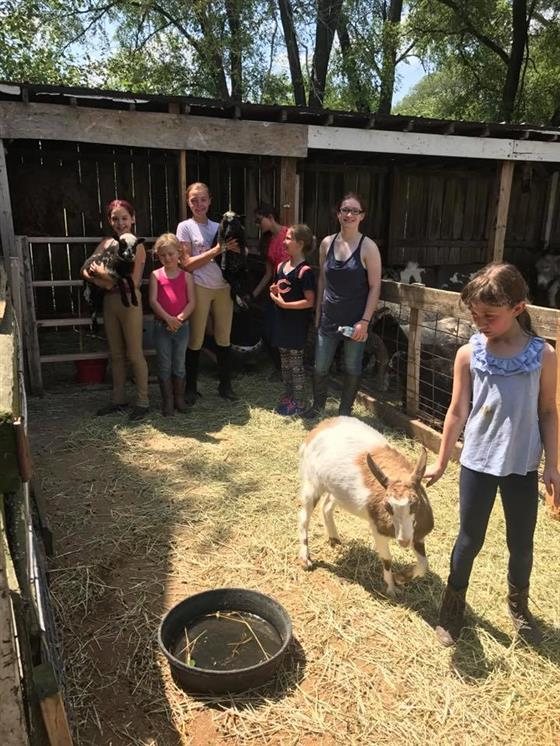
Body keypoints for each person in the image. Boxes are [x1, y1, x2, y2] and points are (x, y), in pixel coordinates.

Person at [424, 263, 560, 647]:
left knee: (521, 542)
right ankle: (452, 606)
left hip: (521, 465)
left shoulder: (543, 356)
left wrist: (553, 464)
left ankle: (519, 606)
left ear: (518, 308)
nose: (481, 322)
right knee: (469, 539)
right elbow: (456, 411)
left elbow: (548, 411)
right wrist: (441, 460)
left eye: (490, 315)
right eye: (475, 314)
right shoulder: (469, 354)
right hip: (478, 462)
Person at [305, 192, 381, 418]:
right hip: (329, 317)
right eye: (345, 210)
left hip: (355, 321)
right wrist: (318, 311)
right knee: (320, 367)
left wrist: (364, 321)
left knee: (352, 367)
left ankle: (345, 413)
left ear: (362, 216)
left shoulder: (368, 247)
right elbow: (323, 279)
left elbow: (375, 286)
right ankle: (318, 407)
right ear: (338, 214)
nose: (349, 215)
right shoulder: (327, 243)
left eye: (355, 211)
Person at [81, 199, 149, 421]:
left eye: (124, 218)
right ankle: (118, 399)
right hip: (110, 302)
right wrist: (101, 281)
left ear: (133, 219)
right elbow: (85, 269)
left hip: (129, 302)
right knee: (116, 354)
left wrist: (103, 276)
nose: (120, 223)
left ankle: (143, 401)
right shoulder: (106, 243)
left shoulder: (136, 245)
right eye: (115, 219)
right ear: (110, 221)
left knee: (134, 353)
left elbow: (134, 282)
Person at [176, 182, 241, 404]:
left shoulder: (219, 226)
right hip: (199, 286)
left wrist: (238, 250)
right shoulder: (185, 227)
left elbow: (237, 253)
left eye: (203, 199)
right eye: (194, 200)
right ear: (188, 203)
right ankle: (191, 388)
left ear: (210, 201)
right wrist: (217, 250)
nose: (199, 204)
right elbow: (186, 264)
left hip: (223, 287)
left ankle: (225, 386)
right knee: (196, 338)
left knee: (224, 337)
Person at [269, 224, 316, 416]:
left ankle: (299, 402)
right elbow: (278, 287)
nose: (284, 241)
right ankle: (288, 396)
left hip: (296, 326)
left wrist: (285, 305)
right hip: (281, 323)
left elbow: (309, 301)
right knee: (285, 364)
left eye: (289, 238)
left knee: (296, 365)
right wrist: (274, 291)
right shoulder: (281, 267)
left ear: (300, 244)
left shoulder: (305, 271)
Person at [149, 233, 195, 416]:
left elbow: (192, 302)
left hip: (182, 327)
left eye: (171, 254)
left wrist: (179, 319)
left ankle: (179, 399)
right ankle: (167, 400)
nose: (167, 258)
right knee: (164, 363)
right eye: (163, 255)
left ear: (179, 253)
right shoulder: (156, 275)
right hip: (162, 326)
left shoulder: (187, 276)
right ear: (158, 256)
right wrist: (168, 319)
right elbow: (153, 301)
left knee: (179, 364)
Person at [251, 204, 290, 377]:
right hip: (275, 290)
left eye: (259, 220)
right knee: (268, 330)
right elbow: (268, 273)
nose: (258, 225)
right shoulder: (267, 241)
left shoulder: (289, 234)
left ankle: (288, 370)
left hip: (291, 290)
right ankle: (279, 367)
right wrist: (253, 294)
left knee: (285, 332)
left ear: (270, 217)